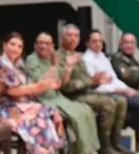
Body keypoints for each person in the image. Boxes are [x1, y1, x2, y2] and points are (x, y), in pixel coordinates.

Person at [0, 32, 67, 154]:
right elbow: (13, 91)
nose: (16, 48)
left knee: (52, 113)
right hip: (5, 107)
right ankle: (38, 150)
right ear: (4, 46)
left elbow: (31, 88)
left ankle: (49, 150)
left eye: (19, 46)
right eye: (12, 44)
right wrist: (39, 87)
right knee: (35, 119)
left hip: (23, 105)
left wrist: (47, 86)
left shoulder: (19, 66)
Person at [56, 25, 130, 154]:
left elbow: (87, 79)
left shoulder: (78, 56)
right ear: (62, 37)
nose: (73, 38)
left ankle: (115, 142)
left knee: (121, 101)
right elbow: (65, 86)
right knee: (109, 104)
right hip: (72, 95)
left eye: (76, 36)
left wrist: (96, 80)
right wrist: (91, 81)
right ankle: (105, 145)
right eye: (70, 35)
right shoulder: (58, 57)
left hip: (87, 91)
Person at [25, 32, 100, 154]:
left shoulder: (51, 58)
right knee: (75, 115)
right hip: (42, 99)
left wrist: (68, 67)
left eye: (47, 43)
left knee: (86, 110)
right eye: (40, 43)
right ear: (35, 45)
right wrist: (54, 66)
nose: (43, 46)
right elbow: (41, 83)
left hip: (57, 96)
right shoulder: (32, 59)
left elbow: (62, 82)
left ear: (52, 46)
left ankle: (89, 148)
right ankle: (81, 150)